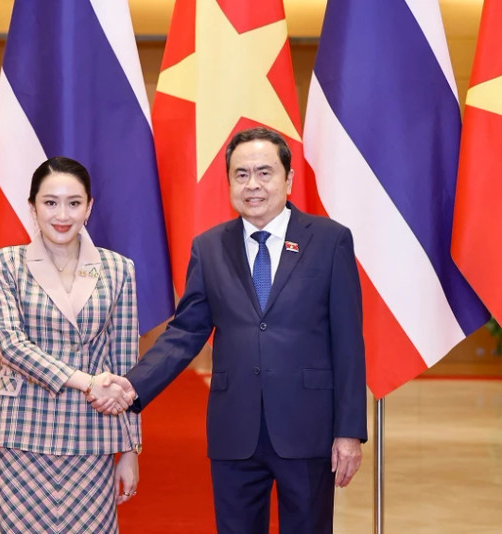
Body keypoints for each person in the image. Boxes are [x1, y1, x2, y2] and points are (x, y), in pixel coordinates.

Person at [101, 127, 367, 533]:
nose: (253, 184)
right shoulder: (209, 248)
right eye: (241, 174)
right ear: (229, 183)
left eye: (265, 172)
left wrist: (349, 431)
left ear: (288, 179)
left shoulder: (330, 241)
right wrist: (133, 386)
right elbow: (186, 331)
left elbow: (348, 343)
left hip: (307, 427)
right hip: (235, 429)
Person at [0, 156, 142, 534]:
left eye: (74, 202)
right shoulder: (5, 264)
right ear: (32, 207)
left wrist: (131, 450)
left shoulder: (119, 269)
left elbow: (124, 364)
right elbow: (12, 347)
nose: (62, 214)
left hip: (92, 434)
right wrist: (86, 382)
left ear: (89, 207)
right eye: (50, 202)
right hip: (22, 431)